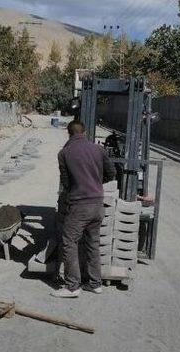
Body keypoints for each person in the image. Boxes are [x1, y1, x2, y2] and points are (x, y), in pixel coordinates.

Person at [52, 120, 116, 298]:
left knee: (69, 241)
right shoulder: (99, 149)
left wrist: (80, 188)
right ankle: (95, 284)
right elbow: (112, 173)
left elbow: (66, 183)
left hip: (80, 206)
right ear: (85, 133)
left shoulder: (64, 153)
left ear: (69, 133)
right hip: (98, 205)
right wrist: (95, 184)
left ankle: (72, 286)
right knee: (93, 244)